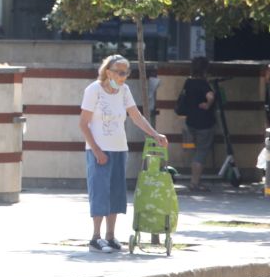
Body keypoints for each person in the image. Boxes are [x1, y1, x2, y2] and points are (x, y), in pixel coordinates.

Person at [78, 55, 168, 253]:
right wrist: (96, 150)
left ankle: (110, 236)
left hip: (119, 148)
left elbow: (136, 116)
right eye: (120, 72)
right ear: (108, 72)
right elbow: (83, 124)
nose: (124, 76)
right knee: (100, 191)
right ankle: (95, 237)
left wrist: (155, 134)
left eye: (127, 72)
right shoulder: (93, 90)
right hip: (98, 149)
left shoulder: (124, 90)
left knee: (116, 192)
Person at [182, 56, 216, 192]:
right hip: (204, 123)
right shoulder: (203, 83)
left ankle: (194, 180)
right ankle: (194, 183)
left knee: (195, 151)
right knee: (201, 153)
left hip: (190, 121)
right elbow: (211, 97)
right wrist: (207, 105)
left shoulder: (188, 82)